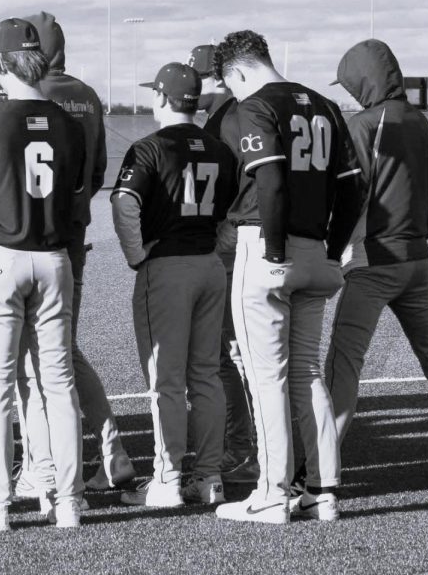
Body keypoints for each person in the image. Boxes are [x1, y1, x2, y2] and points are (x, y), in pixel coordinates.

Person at [212, 30, 363, 525]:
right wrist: (333, 246)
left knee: (266, 376)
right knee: (306, 372)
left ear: (236, 71)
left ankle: (272, 493)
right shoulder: (324, 104)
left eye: (229, 84)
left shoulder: (253, 104)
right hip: (317, 250)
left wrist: (273, 250)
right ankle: (322, 491)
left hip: (268, 247)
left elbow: (270, 178)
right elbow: (354, 187)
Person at [0, 18, 86, 532]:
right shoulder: (68, 122)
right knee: (57, 383)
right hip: (54, 259)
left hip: (1, 258)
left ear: (1, 63)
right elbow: (76, 194)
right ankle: (67, 501)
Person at [326, 39, 428, 485]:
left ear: (362, 79)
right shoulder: (423, 124)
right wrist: (413, 237)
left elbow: (348, 197)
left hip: (373, 262)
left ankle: (318, 472)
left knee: (343, 365)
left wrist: (330, 250)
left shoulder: (360, 126)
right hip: (416, 260)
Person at [111, 62, 236, 508]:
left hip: (167, 268)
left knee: (167, 380)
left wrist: (135, 255)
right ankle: (210, 478)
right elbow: (231, 215)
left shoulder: (150, 146)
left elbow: (124, 202)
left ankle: (167, 480)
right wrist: (216, 246)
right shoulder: (220, 149)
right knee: (205, 375)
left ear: (163, 98)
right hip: (208, 266)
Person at [20, 11, 135, 492]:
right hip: (75, 234)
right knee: (61, 347)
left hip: (31, 237)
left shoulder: (31, 94)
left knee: (42, 356)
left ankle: (47, 465)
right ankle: (110, 449)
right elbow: (99, 170)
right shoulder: (86, 94)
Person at [189, 43, 258, 485]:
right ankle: (267, 447)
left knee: (226, 354)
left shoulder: (223, 118)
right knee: (251, 353)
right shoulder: (245, 113)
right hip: (261, 235)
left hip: (232, 237)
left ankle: (242, 448)